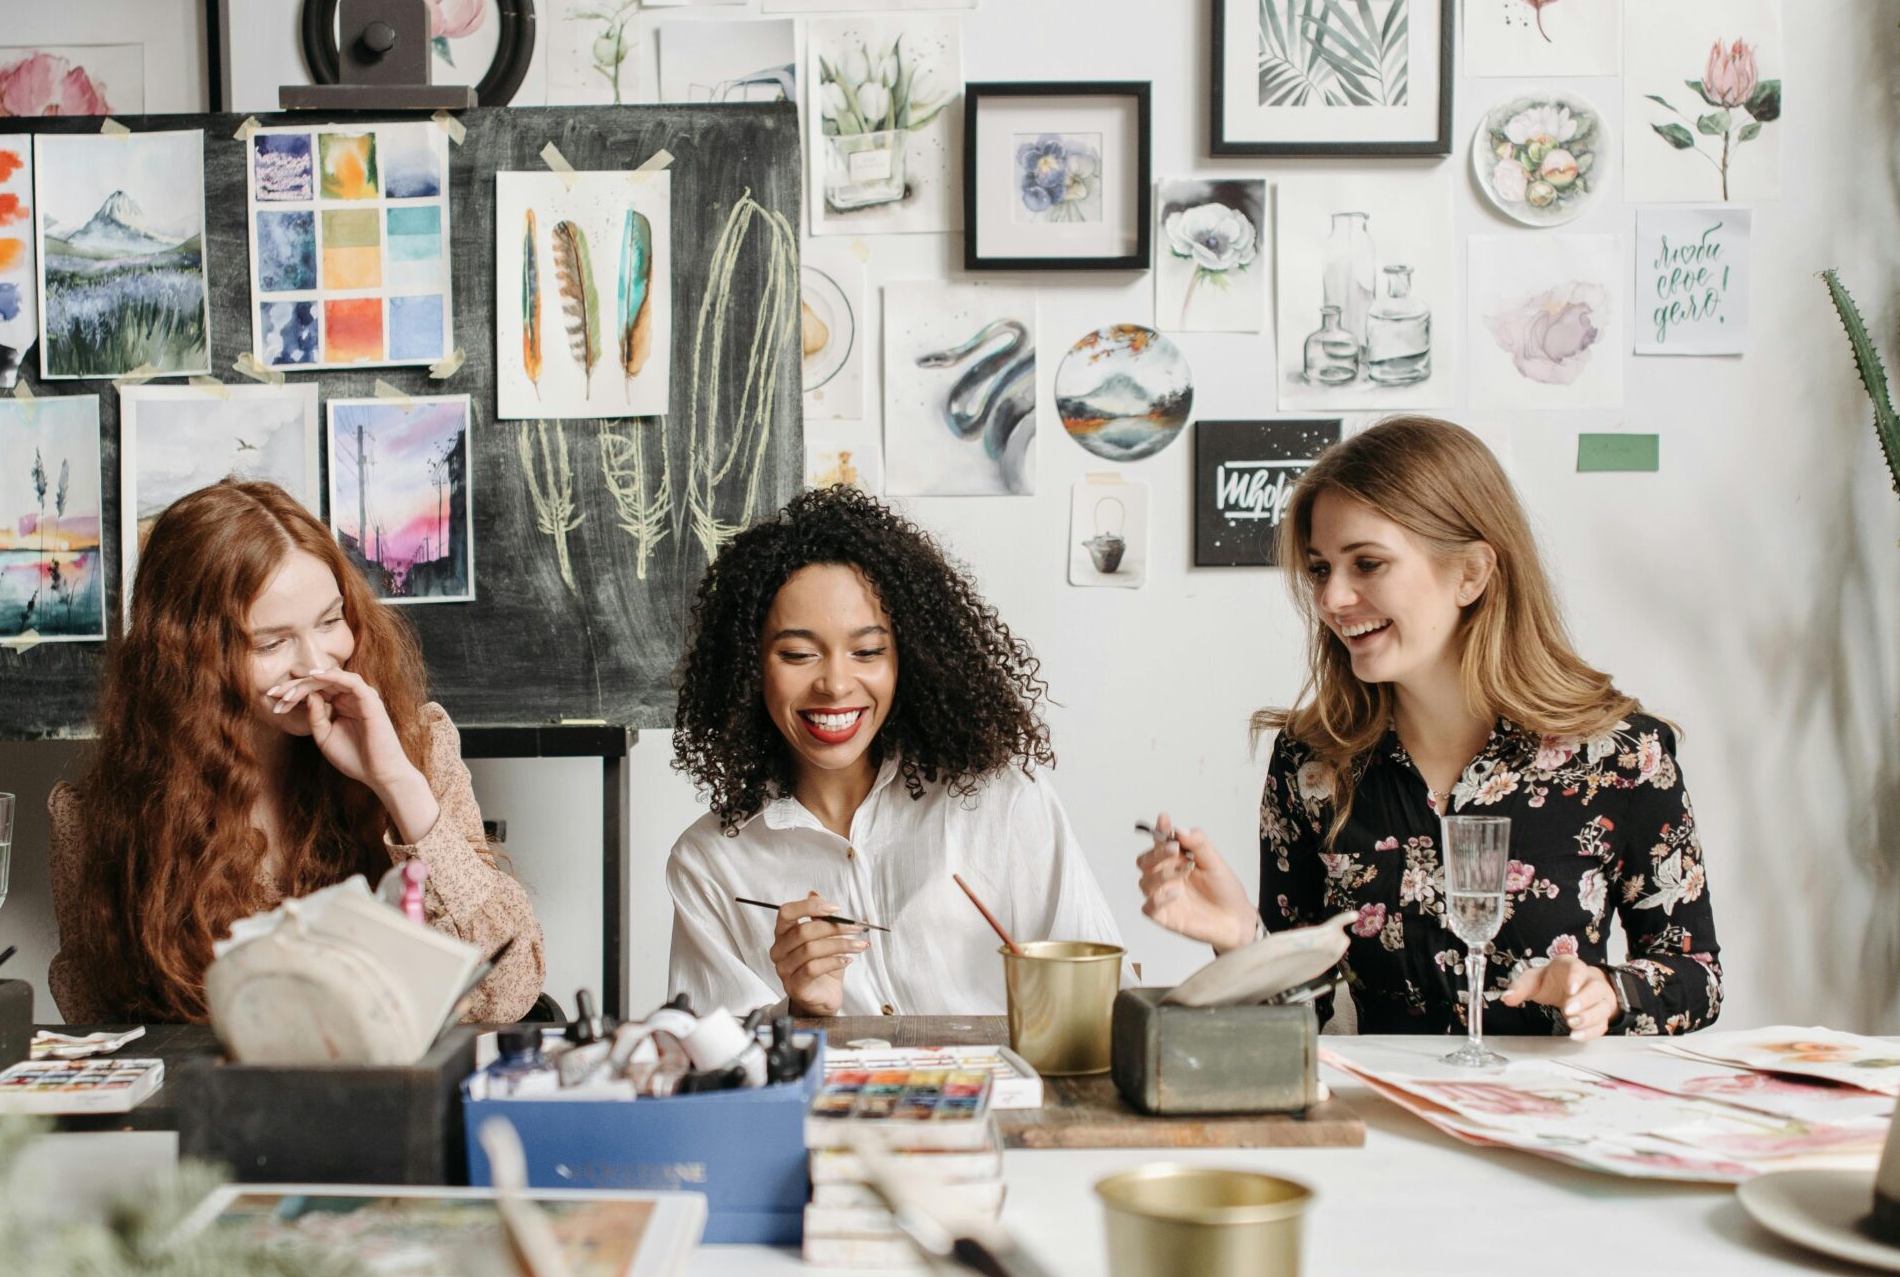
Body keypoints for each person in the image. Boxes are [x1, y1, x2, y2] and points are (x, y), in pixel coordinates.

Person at [1136, 417, 1720, 1039]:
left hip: (1550, 1122)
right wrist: (1240, 943)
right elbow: (1299, 1026)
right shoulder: (1309, 764)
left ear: (1470, 574)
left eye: (1367, 563)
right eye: (1319, 569)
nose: (1332, 598)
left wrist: (1607, 990)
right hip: (1383, 1126)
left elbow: (1697, 975)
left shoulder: (1623, 753)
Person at [47, 480, 544, 1024]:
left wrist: (396, 784)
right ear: (188, 660)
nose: (318, 664)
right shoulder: (96, 817)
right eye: (271, 642)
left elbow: (508, 993)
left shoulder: (419, 747)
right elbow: (104, 1027)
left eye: (331, 621)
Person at [667, 487, 1120, 1016]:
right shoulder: (710, 862)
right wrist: (799, 1011)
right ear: (748, 669)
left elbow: (1105, 998)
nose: (836, 684)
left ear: (911, 658)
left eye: (868, 651)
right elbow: (709, 1062)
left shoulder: (1005, 803)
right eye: (798, 654)